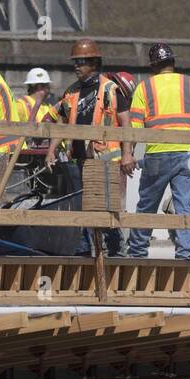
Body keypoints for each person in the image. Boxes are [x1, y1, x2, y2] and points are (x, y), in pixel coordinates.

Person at [123, 42, 190, 260]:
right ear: (173, 62)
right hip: (186, 156)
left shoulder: (144, 88)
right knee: (184, 207)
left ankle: (137, 254)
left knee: (147, 207)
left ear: (152, 66)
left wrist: (128, 154)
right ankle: (185, 256)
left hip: (157, 155)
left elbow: (133, 128)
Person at [57, 38, 128, 257]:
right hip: (80, 159)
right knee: (82, 205)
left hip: (104, 159)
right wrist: (52, 150)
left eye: (82, 61)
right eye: (75, 62)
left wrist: (128, 154)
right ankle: (86, 249)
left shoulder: (111, 90)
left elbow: (126, 124)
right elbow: (60, 122)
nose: (77, 66)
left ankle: (114, 249)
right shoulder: (72, 92)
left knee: (105, 206)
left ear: (95, 63)